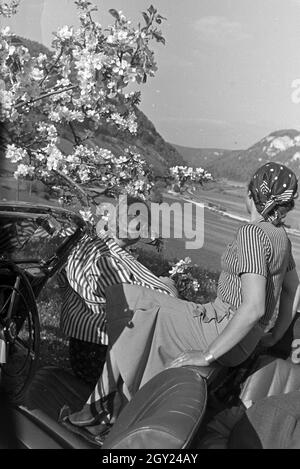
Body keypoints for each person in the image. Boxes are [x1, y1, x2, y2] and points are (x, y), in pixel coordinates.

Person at [60, 162, 300, 446]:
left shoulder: (253, 233)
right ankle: (103, 409)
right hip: (241, 338)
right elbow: (292, 290)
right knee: (140, 308)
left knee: (130, 301)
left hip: (220, 328)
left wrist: (208, 355)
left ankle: (99, 411)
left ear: (251, 195)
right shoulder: (281, 238)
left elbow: (254, 307)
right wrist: (271, 335)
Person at [59, 196, 178, 384]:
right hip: (98, 356)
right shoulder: (108, 261)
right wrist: (168, 287)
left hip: (82, 346)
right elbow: (137, 300)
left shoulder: (89, 246)